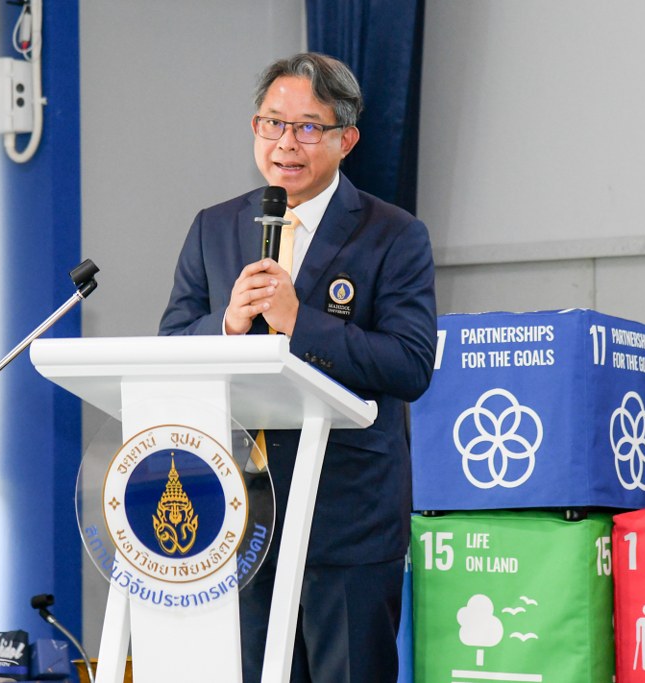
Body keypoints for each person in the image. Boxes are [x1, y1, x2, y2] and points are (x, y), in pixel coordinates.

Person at [157, 52, 437, 682]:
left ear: (346, 139)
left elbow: (411, 364)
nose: (286, 142)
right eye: (272, 123)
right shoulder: (214, 227)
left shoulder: (393, 234)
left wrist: (298, 321)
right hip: (239, 518)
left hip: (348, 523)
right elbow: (171, 344)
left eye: (309, 127)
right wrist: (228, 324)